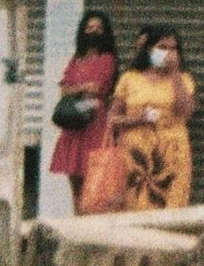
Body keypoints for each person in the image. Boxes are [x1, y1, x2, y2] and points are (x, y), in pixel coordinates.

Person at [82, 27, 197, 214]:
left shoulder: (184, 79)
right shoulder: (130, 79)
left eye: (173, 48)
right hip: (136, 158)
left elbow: (186, 111)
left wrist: (174, 72)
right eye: (162, 47)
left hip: (173, 156)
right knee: (136, 207)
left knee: (173, 209)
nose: (168, 53)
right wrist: (138, 119)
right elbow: (112, 119)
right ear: (149, 50)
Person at [44, 9, 118, 219]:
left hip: (94, 123)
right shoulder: (76, 60)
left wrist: (75, 87)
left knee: (91, 181)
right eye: (89, 28)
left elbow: (97, 88)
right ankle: (77, 221)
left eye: (98, 28)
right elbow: (63, 88)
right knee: (74, 181)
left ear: (105, 33)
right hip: (74, 124)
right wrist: (82, 87)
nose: (93, 32)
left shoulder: (107, 59)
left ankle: (89, 225)